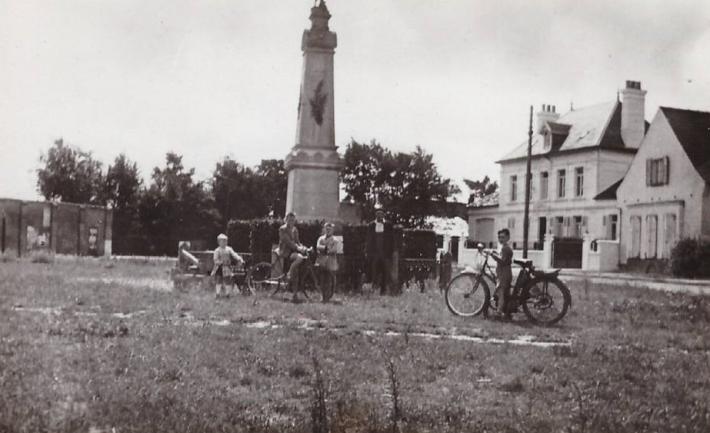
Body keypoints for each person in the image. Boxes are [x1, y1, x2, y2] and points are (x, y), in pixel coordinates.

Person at [366, 206, 394, 295]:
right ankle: (374, 290)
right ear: (375, 215)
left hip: (385, 253)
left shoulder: (389, 225)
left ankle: (384, 290)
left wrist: (390, 252)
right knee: (374, 271)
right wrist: (369, 252)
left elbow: (392, 240)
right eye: (378, 214)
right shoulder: (371, 225)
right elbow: (369, 240)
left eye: (381, 214)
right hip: (375, 253)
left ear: (384, 215)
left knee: (385, 271)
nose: (379, 215)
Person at [278, 212, 308, 293]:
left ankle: (294, 294)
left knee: (298, 270)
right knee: (300, 257)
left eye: (293, 220)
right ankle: (289, 274)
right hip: (285, 251)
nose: (291, 222)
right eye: (290, 220)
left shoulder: (295, 230)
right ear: (286, 219)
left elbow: (297, 241)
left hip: (293, 252)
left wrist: (303, 247)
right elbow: (288, 242)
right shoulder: (282, 229)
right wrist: (298, 248)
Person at [211, 233, 245, 299]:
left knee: (227, 280)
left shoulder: (229, 249)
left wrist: (239, 259)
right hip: (219, 267)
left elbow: (234, 255)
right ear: (219, 242)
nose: (224, 242)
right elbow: (215, 259)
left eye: (225, 241)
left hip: (227, 267)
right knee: (219, 280)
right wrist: (219, 262)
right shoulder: (217, 250)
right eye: (222, 241)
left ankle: (227, 294)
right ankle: (217, 294)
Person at [489, 228, 513, 319]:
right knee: (504, 293)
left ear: (508, 237)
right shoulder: (504, 247)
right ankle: (506, 312)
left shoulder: (506, 248)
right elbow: (502, 256)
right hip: (503, 272)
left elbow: (502, 261)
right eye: (499, 237)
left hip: (504, 273)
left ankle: (499, 312)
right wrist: (495, 253)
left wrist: (493, 255)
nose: (500, 239)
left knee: (501, 293)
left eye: (503, 237)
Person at [317, 222, 339, 294]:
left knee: (329, 278)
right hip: (321, 260)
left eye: (330, 229)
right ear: (324, 230)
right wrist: (325, 248)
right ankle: (322, 293)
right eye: (326, 229)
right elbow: (318, 247)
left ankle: (329, 293)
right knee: (322, 278)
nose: (328, 231)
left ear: (333, 230)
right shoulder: (321, 238)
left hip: (331, 261)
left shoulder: (335, 240)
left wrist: (327, 250)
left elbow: (334, 249)